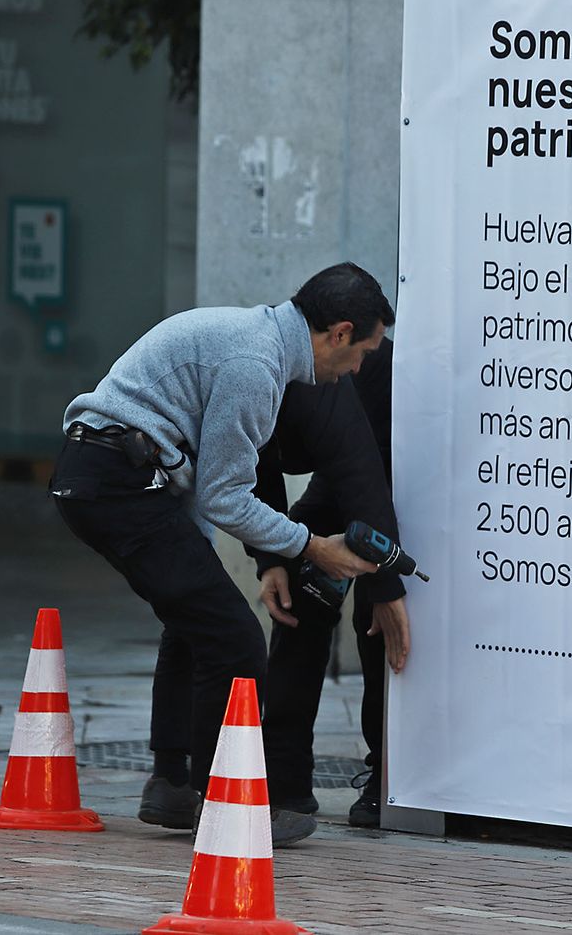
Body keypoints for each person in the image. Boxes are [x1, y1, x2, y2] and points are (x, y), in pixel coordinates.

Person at [48, 262, 392, 846]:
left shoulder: (256, 339)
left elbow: (211, 477)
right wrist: (312, 547)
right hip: (118, 482)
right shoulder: (256, 363)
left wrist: (264, 555)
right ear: (339, 334)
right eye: (362, 352)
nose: (358, 369)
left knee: (197, 621)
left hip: (111, 473)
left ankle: (172, 784)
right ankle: (224, 805)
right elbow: (225, 495)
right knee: (234, 639)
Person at [252, 337, 406, 828]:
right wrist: (272, 558)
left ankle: (388, 774)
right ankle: (283, 779)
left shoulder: (373, 363)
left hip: (396, 479)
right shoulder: (273, 364)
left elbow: (369, 481)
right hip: (340, 478)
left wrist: (384, 587)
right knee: (299, 593)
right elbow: (259, 461)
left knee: (378, 622)